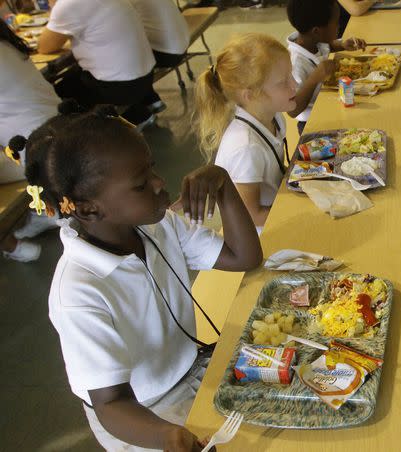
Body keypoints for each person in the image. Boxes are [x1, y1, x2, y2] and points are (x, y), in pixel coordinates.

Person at [23, 102, 262, 451]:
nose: (159, 181)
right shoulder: (78, 293)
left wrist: (223, 184)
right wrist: (166, 434)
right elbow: (110, 404)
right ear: (89, 208)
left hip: (193, 371)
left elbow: (245, 257)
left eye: (151, 166)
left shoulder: (158, 224)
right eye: (140, 183)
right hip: (146, 415)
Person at [194, 33, 297, 233]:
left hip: (278, 210)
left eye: (291, 75)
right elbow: (252, 216)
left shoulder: (274, 117)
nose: (295, 84)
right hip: (263, 235)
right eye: (283, 81)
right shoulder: (247, 148)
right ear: (250, 95)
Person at [38, 0, 159, 129]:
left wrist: (54, 7)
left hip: (123, 88)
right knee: (76, 74)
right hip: (145, 78)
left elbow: (44, 47)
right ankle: (141, 115)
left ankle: (86, 140)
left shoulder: (67, 4)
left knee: (56, 94)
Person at [0, 20, 59, 262]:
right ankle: (45, 209)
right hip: (60, 129)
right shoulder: (7, 42)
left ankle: (10, 244)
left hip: (34, 150)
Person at [286, 0, 366, 135]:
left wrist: (341, 45)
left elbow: (325, 47)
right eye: (336, 22)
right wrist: (314, 78)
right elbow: (292, 110)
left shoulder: (313, 41)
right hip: (313, 123)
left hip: (329, 105)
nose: (339, 26)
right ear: (316, 31)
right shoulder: (295, 63)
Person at [129, 0, 191, 113]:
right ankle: (151, 100)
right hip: (183, 42)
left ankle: (141, 109)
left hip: (167, 52)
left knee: (125, 54)